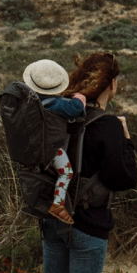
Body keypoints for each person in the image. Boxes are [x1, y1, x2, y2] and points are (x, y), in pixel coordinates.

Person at [36, 52, 137, 273]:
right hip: (89, 224)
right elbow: (124, 179)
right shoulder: (108, 126)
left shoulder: (58, 114)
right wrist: (127, 141)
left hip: (52, 219)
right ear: (112, 84)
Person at [22, 59, 88, 225]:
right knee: (66, 172)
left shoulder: (31, 102)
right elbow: (74, 109)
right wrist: (80, 98)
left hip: (33, 147)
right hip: (51, 148)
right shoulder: (55, 103)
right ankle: (57, 205)